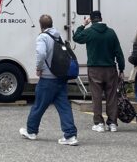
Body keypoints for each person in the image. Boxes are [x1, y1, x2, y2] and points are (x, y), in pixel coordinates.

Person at [19, 14, 78, 146]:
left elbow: (41, 53)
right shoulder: (59, 36)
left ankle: (31, 131)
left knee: (39, 105)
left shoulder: (42, 37)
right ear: (51, 24)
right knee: (64, 107)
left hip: (47, 78)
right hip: (60, 78)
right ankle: (70, 135)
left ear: (41, 25)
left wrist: (38, 68)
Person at [73, 9, 125, 132]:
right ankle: (112, 123)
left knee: (96, 97)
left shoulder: (89, 32)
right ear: (101, 18)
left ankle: (99, 123)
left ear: (91, 19)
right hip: (110, 69)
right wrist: (121, 68)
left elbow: (76, 38)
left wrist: (83, 25)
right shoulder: (111, 33)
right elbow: (119, 52)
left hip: (94, 69)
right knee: (111, 96)